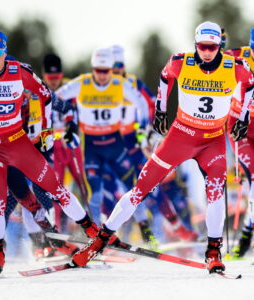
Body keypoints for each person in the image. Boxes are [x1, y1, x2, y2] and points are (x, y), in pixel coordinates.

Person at [71, 21, 254, 274]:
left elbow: (249, 84)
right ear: (196, 44)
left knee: (216, 192)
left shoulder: (235, 67)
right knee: (141, 188)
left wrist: (243, 116)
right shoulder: (181, 62)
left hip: (212, 140)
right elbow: (166, 76)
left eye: (213, 47)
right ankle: (100, 240)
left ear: (218, 47)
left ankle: (213, 251)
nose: (208, 52)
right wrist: (161, 108)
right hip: (181, 135)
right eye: (203, 46)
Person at [0, 29, 99, 275]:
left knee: (53, 189)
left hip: (19, 144)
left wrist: (46, 131)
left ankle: (91, 232)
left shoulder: (19, 72)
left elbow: (47, 97)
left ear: (4, 53)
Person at [55, 48, 152, 234]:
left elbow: (141, 102)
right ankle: (95, 236)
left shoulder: (119, 83)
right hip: (91, 146)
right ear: (93, 69)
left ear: (111, 69)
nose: (101, 75)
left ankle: (147, 233)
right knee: (95, 193)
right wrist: (69, 120)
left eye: (105, 71)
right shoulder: (82, 83)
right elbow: (54, 97)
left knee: (133, 188)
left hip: (115, 143)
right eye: (98, 71)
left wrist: (141, 128)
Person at [108, 45, 198, 243]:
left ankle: (176, 229)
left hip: (134, 141)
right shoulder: (102, 85)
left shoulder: (133, 83)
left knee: (150, 184)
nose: (116, 71)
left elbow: (151, 104)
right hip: (110, 141)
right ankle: (111, 233)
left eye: (119, 66)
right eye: (112, 67)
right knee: (113, 188)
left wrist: (146, 131)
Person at [41, 53, 87, 231]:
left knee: (82, 185)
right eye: (50, 77)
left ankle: (92, 230)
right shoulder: (40, 90)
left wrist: (73, 127)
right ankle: (59, 231)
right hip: (53, 147)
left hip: (72, 145)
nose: (53, 81)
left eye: (57, 77)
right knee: (56, 189)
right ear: (44, 76)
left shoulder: (71, 88)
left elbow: (80, 111)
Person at [225, 28, 254, 258]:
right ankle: (245, 236)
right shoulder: (238, 55)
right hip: (240, 128)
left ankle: (247, 231)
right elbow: (211, 59)